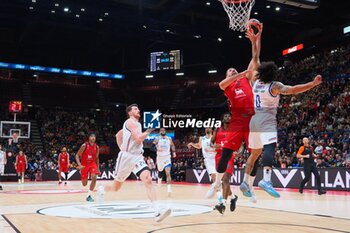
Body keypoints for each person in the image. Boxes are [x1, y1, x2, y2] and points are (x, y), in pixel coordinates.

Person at [242, 61, 323, 198]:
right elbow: (293, 89)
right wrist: (312, 84)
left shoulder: (255, 83)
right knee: (269, 147)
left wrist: (255, 44)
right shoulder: (275, 86)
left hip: (254, 120)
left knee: (254, 153)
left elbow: (255, 62)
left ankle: (244, 182)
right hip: (267, 119)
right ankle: (266, 180)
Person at [206, 26, 262, 200]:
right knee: (226, 154)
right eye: (229, 70)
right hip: (237, 120)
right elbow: (222, 83)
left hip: (252, 118)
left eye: (234, 70)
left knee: (255, 153)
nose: (232, 70)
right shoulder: (227, 86)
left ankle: (249, 186)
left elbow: (255, 58)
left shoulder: (245, 78)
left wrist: (255, 41)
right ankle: (216, 183)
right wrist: (239, 75)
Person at [104, 104, 171, 222]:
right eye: (135, 109)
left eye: (138, 108)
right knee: (115, 188)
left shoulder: (137, 124)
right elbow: (138, 139)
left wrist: (123, 145)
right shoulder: (129, 122)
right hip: (126, 158)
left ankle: (157, 211)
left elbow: (118, 135)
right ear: (129, 113)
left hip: (137, 157)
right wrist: (149, 130)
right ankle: (101, 190)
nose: (138, 110)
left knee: (148, 179)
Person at [211, 113, 238, 214]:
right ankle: (233, 197)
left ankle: (223, 204)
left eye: (229, 116)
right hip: (218, 157)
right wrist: (214, 146)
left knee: (226, 178)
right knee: (223, 181)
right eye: (226, 116)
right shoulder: (217, 129)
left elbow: (240, 143)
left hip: (229, 156)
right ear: (222, 119)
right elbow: (211, 142)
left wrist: (238, 152)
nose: (228, 117)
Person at [76, 133, 100, 202]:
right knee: (84, 184)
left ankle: (89, 195)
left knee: (94, 178)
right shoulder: (84, 145)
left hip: (92, 164)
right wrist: (80, 165)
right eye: (91, 136)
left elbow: (97, 158)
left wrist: (98, 168)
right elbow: (77, 155)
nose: (93, 138)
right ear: (89, 138)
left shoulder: (97, 147)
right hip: (84, 165)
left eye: (94, 137)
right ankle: (83, 175)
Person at [153, 128, 176, 196]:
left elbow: (172, 145)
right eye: (161, 130)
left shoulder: (169, 138)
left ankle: (169, 189)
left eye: (164, 130)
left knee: (168, 172)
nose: (163, 131)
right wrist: (156, 148)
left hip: (167, 157)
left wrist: (174, 152)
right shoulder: (157, 138)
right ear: (160, 132)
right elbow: (152, 146)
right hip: (160, 158)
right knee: (160, 171)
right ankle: (159, 180)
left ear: (165, 131)